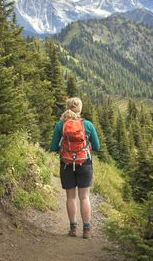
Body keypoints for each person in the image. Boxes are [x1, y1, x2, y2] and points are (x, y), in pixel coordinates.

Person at [50, 97, 100, 239]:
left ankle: (73, 229)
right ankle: (87, 230)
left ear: (67, 108)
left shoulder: (60, 125)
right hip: (84, 163)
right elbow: (97, 146)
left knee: (70, 197)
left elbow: (53, 147)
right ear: (80, 109)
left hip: (66, 164)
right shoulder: (88, 125)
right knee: (84, 197)